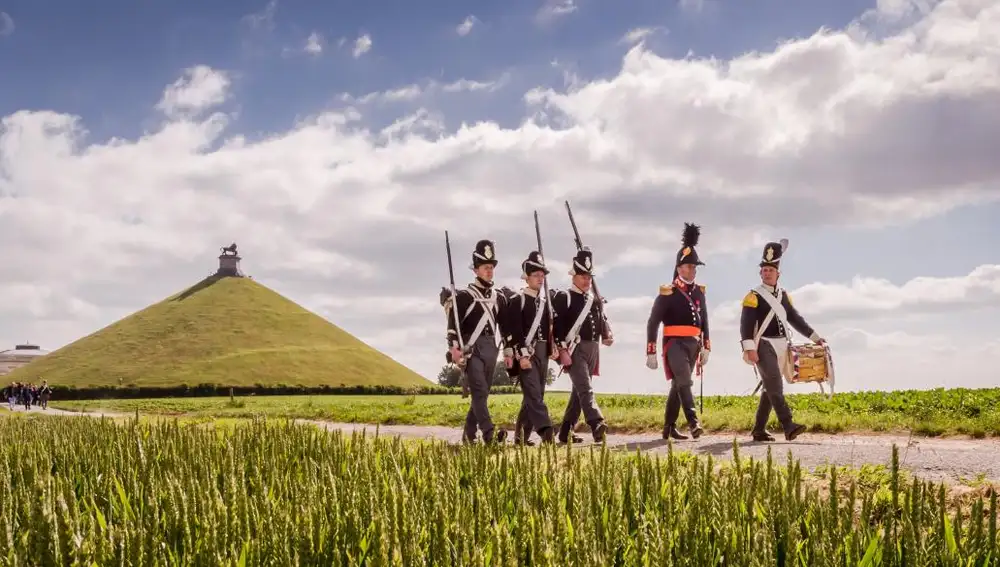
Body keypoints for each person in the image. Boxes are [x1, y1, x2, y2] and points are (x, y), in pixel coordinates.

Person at [739, 239, 822, 442]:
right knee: (775, 383)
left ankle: (759, 430)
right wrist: (750, 348)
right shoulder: (753, 296)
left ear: (778, 274)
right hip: (763, 344)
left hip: (782, 345)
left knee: (769, 388)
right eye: (764, 270)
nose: (767, 273)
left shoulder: (784, 296)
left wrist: (815, 337)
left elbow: (795, 319)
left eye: (770, 270)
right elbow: (746, 325)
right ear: (760, 273)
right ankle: (788, 425)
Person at [443, 239, 511, 444]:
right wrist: (454, 349)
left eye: (491, 267)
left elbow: (505, 327)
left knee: (481, 395)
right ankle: (489, 434)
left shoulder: (498, 297)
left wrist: (507, 352)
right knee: (480, 391)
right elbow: (452, 327)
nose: (489, 271)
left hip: (492, 349)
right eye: (485, 267)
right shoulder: (464, 296)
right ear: (476, 269)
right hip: (472, 350)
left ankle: (468, 435)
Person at [645, 223, 710, 440]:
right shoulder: (668, 292)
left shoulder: (699, 292)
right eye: (688, 267)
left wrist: (706, 346)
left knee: (678, 385)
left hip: (693, 343)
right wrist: (651, 350)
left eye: (694, 267)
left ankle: (669, 427)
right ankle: (693, 422)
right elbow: (653, 322)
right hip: (673, 343)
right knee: (684, 380)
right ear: (679, 268)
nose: (692, 270)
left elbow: (705, 321)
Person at [552, 248, 612, 443]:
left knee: (578, 393)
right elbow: (558, 326)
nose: (587, 280)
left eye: (589, 277)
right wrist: (562, 350)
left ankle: (564, 432)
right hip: (574, 349)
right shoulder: (565, 297)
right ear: (574, 277)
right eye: (583, 277)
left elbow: (601, 319)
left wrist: (606, 333)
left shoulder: (593, 299)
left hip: (593, 348)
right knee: (585, 389)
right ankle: (596, 423)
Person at [506, 251, 556, 446]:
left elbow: (549, 329)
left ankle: (520, 437)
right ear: (526, 276)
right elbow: (514, 331)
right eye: (536, 275)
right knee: (534, 393)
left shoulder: (544, 303)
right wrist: (521, 355)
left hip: (543, 353)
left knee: (535, 395)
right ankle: (546, 430)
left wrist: (553, 348)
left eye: (542, 275)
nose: (540, 279)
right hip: (526, 353)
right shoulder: (518, 300)